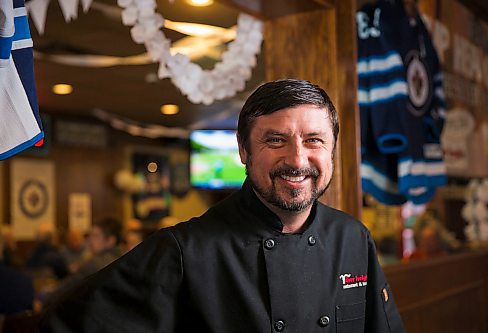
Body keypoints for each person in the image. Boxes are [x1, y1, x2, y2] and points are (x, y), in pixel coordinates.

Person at [41, 79, 404, 332]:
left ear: (332, 150)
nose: (297, 158)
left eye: (314, 140)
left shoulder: (353, 237)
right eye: (275, 140)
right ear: (244, 150)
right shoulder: (183, 251)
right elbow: (66, 321)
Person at [41, 218, 122, 309]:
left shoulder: (94, 265)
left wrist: (44, 299)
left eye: (95, 236)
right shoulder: (126, 259)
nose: (90, 240)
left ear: (111, 240)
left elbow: (62, 292)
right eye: (90, 236)